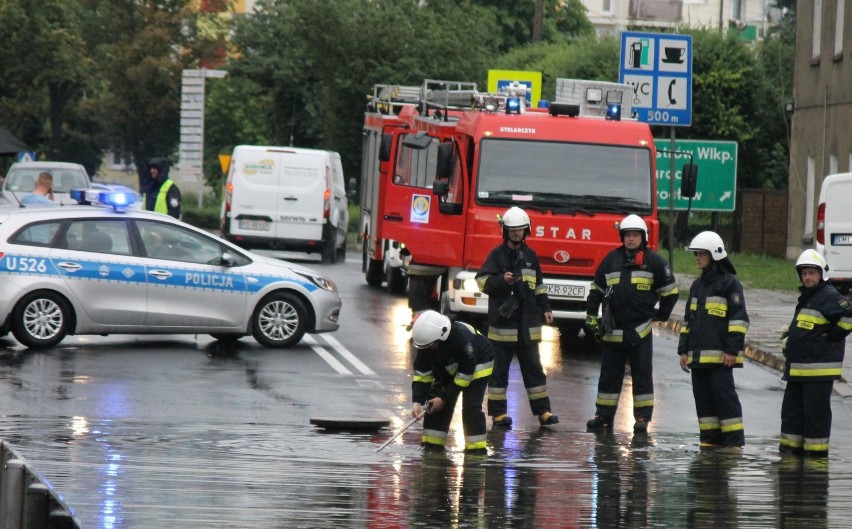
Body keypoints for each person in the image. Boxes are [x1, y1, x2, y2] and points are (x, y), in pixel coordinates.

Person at [586, 214, 678, 433]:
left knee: (642, 375)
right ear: (622, 237)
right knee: (609, 376)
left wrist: (661, 315)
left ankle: (642, 419)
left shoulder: (654, 262)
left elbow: (671, 292)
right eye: (627, 235)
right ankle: (603, 416)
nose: (631, 239)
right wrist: (591, 315)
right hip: (612, 331)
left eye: (635, 235)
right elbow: (596, 290)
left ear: (643, 237)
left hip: (640, 331)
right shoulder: (611, 260)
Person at [475, 206, 558, 430]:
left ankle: (543, 412)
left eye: (520, 230)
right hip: (503, 328)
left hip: (528, 326)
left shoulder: (531, 257)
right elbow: (482, 281)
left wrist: (546, 308)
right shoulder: (496, 255)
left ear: (526, 231)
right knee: (499, 372)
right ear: (506, 231)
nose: (516, 234)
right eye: (512, 230)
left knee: (534, 370)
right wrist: (503, 280)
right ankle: (499, 414)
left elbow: (539, 287)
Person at [678, 231, 749, 450]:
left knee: (725, 403)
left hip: (720, 359)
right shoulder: (697, 285)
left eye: (701, 254)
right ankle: (709, 442)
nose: (697, 258)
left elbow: (739, 321)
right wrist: (683, 350)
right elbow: (688, 321)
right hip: (698, 359)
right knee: (704, 406)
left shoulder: (730, 285)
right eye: (696, 254)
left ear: (714, 255)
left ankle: (733, 444)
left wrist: (731, 350)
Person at [779, 249, 852, 458]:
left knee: (815, 419)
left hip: (817, 373)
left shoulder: (828, 296)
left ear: (821, 274)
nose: (808, 277)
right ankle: (790, 457)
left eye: (812, 272)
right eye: (805, 273)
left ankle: (815, 465)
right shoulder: (808, 298)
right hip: (799, 372)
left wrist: (833, 335)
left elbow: (850, 314)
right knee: (791, 417)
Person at [410, 310, 495, 453]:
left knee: (471, 407)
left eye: (431, 346)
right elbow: (422, 375)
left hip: (477, 364)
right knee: (433, 404)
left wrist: (444, 398)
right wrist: (417, 401)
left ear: (441, 337)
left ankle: (476, 451)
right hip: (450, 368)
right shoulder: (427, 343)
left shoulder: (460, 339)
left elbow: (465, 374)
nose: (428, 350)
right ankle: (432, 447)